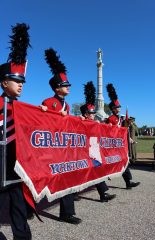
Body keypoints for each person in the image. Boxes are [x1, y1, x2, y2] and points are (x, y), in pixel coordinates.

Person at [41, 48, 81, 224]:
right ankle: (26, 206)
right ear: (57, 87)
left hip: (64, 149)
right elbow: (41, 125)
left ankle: (67, 212)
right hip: (51, 149)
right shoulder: (48, 102)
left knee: (67, 178)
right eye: (66, 85)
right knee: (41, 179)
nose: (68, 87)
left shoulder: (67, 105)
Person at [0, 23, 32, 240]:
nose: (21, 85)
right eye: (16, 81)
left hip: (16, 163)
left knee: (19, 205)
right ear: (4, 82)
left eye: (22, 81)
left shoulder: (23, 108)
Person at [79, 81, 116, 202]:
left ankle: (103, 193)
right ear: (86, 114)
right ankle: (73, 192)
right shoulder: (81, 122)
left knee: (96, 171)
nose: (94, 114)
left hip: (94, 153)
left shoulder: (96, 123)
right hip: (83, 152)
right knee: (81, 173)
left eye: (94, 112)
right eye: (91, 113)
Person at [106, 83, 140, 189]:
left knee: (124, 162)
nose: (119, 108)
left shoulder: (121, 118)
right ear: (113, 108)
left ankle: (128, 182)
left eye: (119, 106)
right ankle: (103, 181)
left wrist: (129, 138)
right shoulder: (111, 118)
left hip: (120, 144)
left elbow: (123, 131)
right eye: (117, 107)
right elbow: (108, 130)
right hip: (113, 145)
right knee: (109, 164)